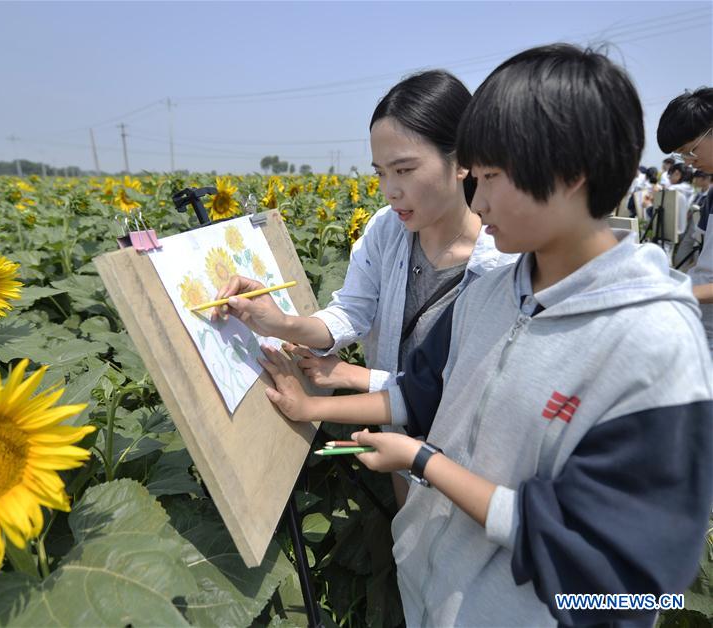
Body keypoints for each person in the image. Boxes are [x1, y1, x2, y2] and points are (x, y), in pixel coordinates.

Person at [258, 44, 712, 626]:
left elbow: (637, 585)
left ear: (570, 175)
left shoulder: (653, 342)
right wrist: (311, 403)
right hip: (432, 590)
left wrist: (425, 463)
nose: (478, 198)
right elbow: (419, 391)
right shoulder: (494, 294)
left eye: (491, 177)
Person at [213, 70, 516, 506]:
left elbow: (460, 390)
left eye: (405, 169)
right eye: (380, 173)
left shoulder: (502, 263)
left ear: (462, 160)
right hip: (394, 443)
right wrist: (281, 323)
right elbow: (351, 314)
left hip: (469, 464)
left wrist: (358, 377)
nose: (391, 191)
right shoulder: (386, 231)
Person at [658, 86, 713, 352]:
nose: (689, 162)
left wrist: (677, 293)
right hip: (700, 323)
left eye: (690, 150)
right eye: (682, 155)